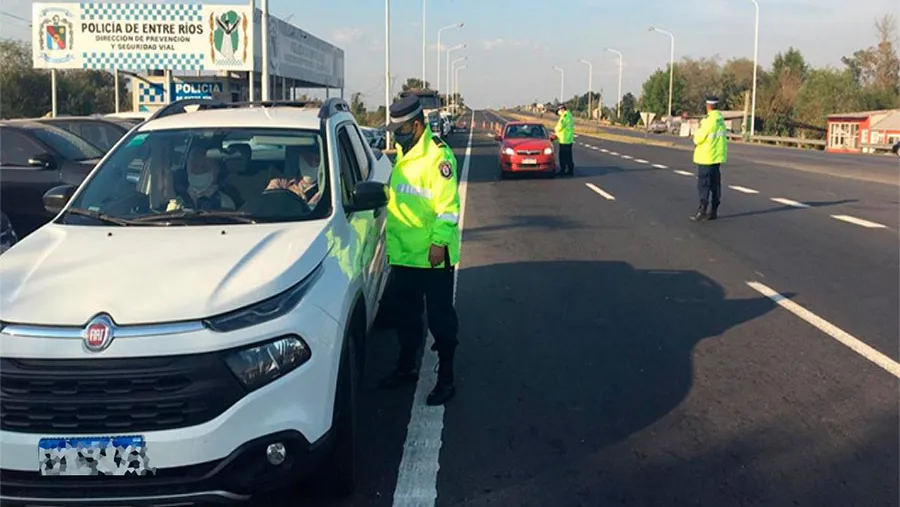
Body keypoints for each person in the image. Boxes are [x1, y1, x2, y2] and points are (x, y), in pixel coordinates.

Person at [379, 95, 461, 406]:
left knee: (441, 319)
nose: (395, 135)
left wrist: (439, 243)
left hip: (432, 256)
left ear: (416, 125)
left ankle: (446, 378)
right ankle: (405, 367)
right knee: (407, 317)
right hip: (404, 256)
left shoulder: (438, 157)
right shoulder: (403, 152)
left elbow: (448, 207)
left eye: (399, 129)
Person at [691, 96, 728, 221]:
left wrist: (696, 134)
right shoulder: (720, 120)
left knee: (704, 184)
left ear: (708, 106)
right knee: (715, 184)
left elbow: (698, 138)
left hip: (706, 157)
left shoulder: (708, 121)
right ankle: (714, 210)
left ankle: (702, 209)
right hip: (717, 157)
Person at [554, 104, 575, 176]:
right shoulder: (568, 115)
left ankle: (564, 170)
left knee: (564, 156)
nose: (559, 113)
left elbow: (560, 127)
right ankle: (569, 170)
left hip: (565, 140)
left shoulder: (565, 116)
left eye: (558, 111)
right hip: (566, 139)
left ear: (562, 109)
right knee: (567, 156)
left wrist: (555, 130)